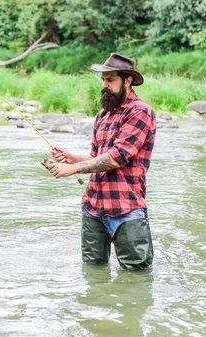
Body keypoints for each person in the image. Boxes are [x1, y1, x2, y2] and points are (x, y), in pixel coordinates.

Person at [47, 53, 156, 271]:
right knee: (93, 272)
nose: (104, 85)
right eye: (103, 80)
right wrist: (73, 157)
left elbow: (117, 157)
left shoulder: (140, 112)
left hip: (125, 209)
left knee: (137, 277)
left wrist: (72, 168)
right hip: (93, 207)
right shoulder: (103, 115)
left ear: (128, 81)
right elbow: (96, 156)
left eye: (110, 80)